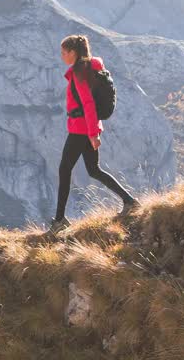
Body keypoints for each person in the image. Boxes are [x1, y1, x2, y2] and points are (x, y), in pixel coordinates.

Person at [48, 34, 139, 234]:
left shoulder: (79, 73)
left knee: (65, 170)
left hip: (81, 129)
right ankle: (130, 201)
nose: (62, 56)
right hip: (87, 127)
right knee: (93, 170)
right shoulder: (90, 69)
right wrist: (94, 130)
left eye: (64, 52)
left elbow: (88, 103)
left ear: (73, 52)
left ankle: (60, 220)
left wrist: (93, 133)